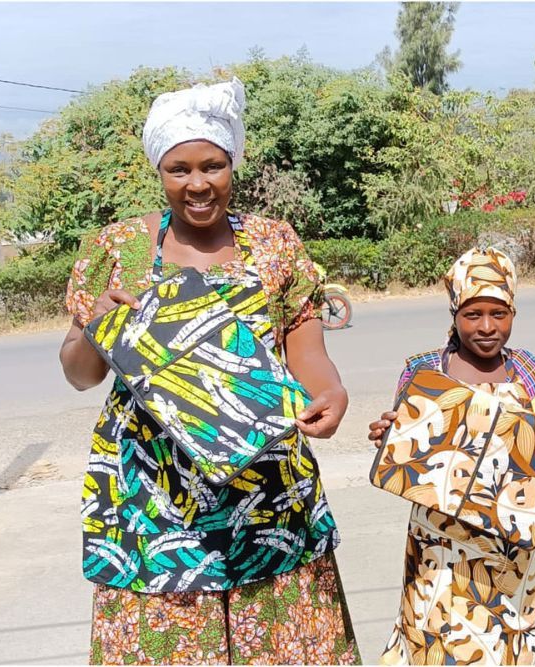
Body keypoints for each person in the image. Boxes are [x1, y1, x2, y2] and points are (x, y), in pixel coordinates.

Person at [60, 78, 359, 665]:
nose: (197, 184)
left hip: (266, 483)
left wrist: (330, 392)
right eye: (179, 169)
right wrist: (94, 325)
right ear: (160, 170)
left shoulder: (275, 244)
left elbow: (305, 348)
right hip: (151, 494)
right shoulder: (116, 247)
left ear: (232, 164)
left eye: (213, 166)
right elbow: (79, 375)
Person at [367, 248, 535, 665]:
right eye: (473, 314)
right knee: (442, 641)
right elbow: (408, 458)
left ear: (513, 313)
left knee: (515, 643)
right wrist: (389, 438)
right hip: (440, 546)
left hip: (514, 545)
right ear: (454, 313)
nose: (487, 327)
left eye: (499, 314)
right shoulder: (424, 371)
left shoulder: (528, 371)